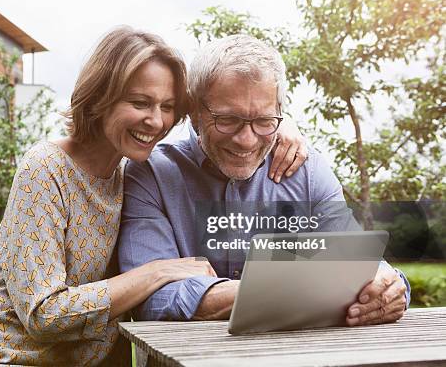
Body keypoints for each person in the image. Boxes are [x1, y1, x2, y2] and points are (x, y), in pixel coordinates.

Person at [0, 27, 306, 366]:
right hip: (4, 358)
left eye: (167, 107)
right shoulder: (45, 169)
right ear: (100, 97)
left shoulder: (130, 173)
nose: (155, 120)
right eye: (140, 102)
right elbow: (43, 315)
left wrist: (280, 125)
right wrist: (157, 272)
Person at [118, 34, 410, 326]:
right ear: (194, 111)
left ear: (281, 113)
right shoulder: (151, 174)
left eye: (264, 121)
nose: (246, 141)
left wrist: (388, 286)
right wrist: (299, 289)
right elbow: (151, 299)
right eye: (227, 119)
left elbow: (355, 259)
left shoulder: (308, 171)